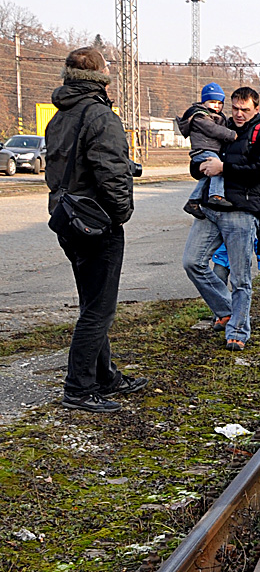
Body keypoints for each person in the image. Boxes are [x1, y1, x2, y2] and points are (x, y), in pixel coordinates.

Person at [45, 47, 148, 413]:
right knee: (99, 309)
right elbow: (112, 175)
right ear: (100, 76)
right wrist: (121, 214)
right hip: (95, 222)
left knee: (93, 301)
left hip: (67, 217)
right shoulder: (99, 116)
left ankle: (104, 377)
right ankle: (78, 387)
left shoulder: (61, 116)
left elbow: (56, 172)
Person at [182, 87, 260, 352]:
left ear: (256, 109)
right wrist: (199, 166)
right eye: (234, 108)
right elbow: (199, 164)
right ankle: (227, 310)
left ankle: (238, 330)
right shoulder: (221, 127)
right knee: (192, 262)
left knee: (240, 278)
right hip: (210, 208)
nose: (238, 114)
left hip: (240, 211)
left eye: (244, 110)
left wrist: (224, 168)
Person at [177, 82, 236, 219]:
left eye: (220, 103)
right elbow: (214, 130)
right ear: (204, 102)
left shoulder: (217, 116)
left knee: (206, 176)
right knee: (217, 168)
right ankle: (215, 195)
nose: (217, 105)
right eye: (212, 102)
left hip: (207, 150)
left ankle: (193, 201)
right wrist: (232, 135)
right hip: (203, 150)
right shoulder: (200, 117)